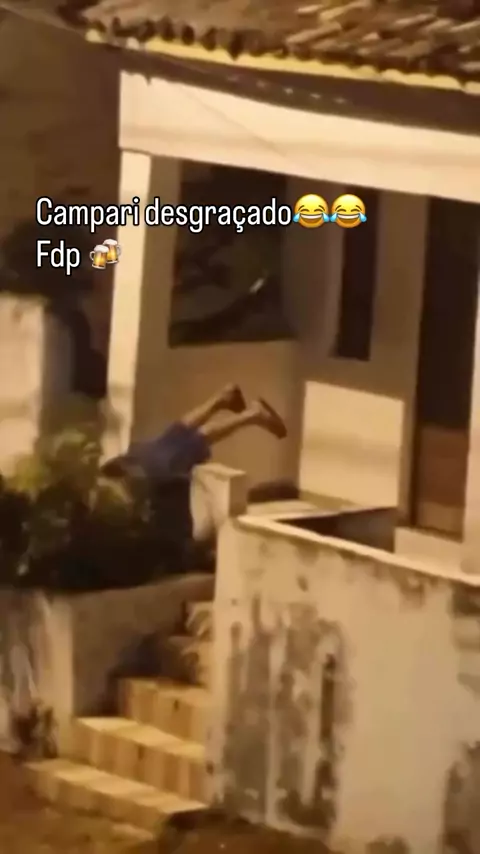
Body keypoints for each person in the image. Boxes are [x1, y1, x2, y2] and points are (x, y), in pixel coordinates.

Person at [96, 384, 287, 574]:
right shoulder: (94, 493)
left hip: (147, 473)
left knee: (196, 441)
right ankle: (222, 398)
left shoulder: (106, 518)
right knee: (172, 437)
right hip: (130, 463)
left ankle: (252, 414)